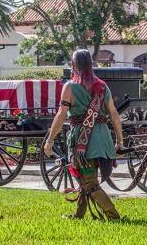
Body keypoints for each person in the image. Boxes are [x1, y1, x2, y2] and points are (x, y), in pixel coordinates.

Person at [44, 49, 124, 220]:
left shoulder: (70, 86)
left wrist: (49, 141)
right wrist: (119, 142)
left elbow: (61, 115)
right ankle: (79, 215)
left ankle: (113, 216)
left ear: (73, 65)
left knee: (90, 183)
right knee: (85, 180)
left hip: (83, 143)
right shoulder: (103, 86)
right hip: (102, 141)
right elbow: (114, 115)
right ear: (90, 65)